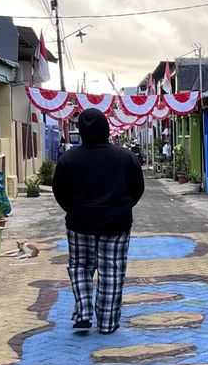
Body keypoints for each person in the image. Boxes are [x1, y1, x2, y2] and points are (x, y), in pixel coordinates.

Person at [52, 109, 144, 334]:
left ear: (81, 131)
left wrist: (74, 209)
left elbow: (59, 191)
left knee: (80, 267)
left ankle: (83, 313)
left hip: (79, 222)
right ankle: (107, 323)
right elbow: (137, 188)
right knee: (111, 271)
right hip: (117, 223)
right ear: (106, 128)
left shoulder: (68, 159)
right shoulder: (125, 157)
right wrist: (122, 207)